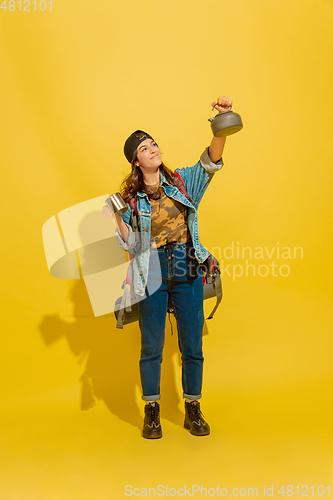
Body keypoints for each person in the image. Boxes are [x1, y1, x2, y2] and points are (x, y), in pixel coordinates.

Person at [102, 95, 232, 439]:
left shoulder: (183, 181)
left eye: (154, 143)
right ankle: (152, 411)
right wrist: (117, 217)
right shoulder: (131, 199)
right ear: (136, 160)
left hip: (187, 263)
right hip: (151, 270)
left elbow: (211, 160)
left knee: (192, 345)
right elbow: (130, 244)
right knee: (152, 346)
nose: (153, 148)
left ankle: (192, 409)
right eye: (145, 148)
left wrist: (222, 121)